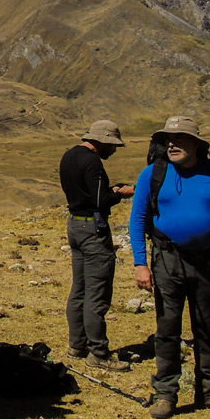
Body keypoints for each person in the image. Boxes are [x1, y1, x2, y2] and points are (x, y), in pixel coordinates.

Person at [128, 116, 210, 419]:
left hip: (206, 261)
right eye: (167, 139)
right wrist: (141, 264)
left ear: (196, 143)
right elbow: (137, 219)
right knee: (168, 329)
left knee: (207, 328)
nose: (171, 143)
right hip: (167, 261)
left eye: (179, 138)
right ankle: (165, 394)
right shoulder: (152, 174)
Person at [59, 120, 135, 371]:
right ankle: (98, 353)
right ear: (102, 141)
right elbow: (101, 199)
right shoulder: (92, 162)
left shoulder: (69, 156)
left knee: (79, 289)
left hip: (75, 225)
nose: (113, 151)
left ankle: (76, 345)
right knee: (96, 293)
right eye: (112, 146)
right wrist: (120, 194)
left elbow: (85, 193)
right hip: (93, 229)